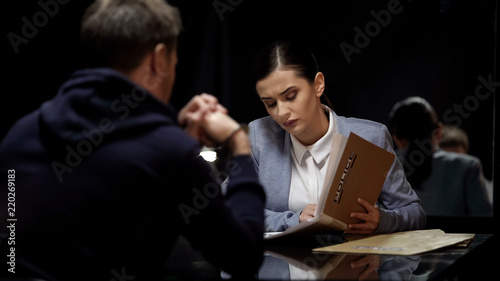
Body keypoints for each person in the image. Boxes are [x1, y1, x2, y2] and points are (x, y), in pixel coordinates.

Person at [0, 0, 265, 280]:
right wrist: (239, 146)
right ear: (158, 60)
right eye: (174, 65)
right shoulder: (169, 155)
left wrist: (174, 137)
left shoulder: (19, 136)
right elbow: (244, 258)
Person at [248, 40, 426, 235]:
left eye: (291, 96)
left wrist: (382, 220)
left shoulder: (370, 137)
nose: (281, 112)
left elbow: (415, 212)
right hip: (281, 264)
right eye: (270, 103)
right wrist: (293, 220)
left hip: (356, 263)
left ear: (318, 84)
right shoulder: (260, 136)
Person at [388, 96, 492, 216]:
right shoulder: (468, 167)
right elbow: (484, 225)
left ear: (396, 139)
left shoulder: (381, 170)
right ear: (438, 132)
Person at [439, 124, 493, 205]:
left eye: (458, 160)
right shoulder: (424, 191)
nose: (451, 167)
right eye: (447, 160)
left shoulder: (488, 190)